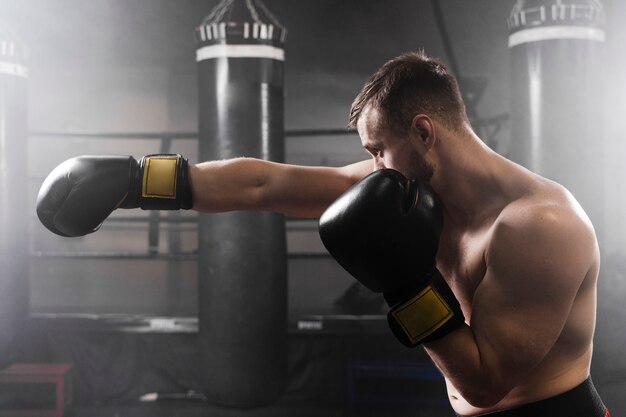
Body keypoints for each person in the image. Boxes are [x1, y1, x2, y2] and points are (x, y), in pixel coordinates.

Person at [36, 51, 608, 416]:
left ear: (425, 131)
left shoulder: (539, 226)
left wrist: (405, 284)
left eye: (379, 150)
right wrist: (136, 180)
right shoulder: (411, 188)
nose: (373, 168)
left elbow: (488, 385)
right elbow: (263, 185)